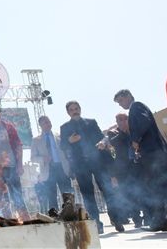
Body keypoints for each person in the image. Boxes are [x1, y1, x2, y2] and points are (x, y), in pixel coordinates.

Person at [114, 89, 167, 232]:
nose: (121, 105)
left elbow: (144, 122)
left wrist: (135, 140)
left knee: (163, 186)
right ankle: (163, 221)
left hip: (153, 152)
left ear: (128, 96)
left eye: (121, 101)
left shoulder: (137, 106)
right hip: (153, 152)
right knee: (158, 187)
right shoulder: (136, 108)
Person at [59, 100, 120, 234]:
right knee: (88, 196)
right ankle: (97, 223)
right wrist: (69, 141)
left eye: (76, 108)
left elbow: (102, 137)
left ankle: (116, 219)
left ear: (80, 109)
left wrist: (102, 143)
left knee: (107, 191)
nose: (75, 111)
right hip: (80, 166)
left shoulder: (91, 122)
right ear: (68, 112)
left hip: (97, 162)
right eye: (72, 109)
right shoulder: (65, 128)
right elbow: (62, 146)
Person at [107, 113, 145, 228]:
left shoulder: (134, 130)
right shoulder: (113, 132)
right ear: (116, 121)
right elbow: (115, 142)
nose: (123, 121)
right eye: (120, 120)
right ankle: (137, 219)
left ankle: (149, 216)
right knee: (130, 194)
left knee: (143, 191)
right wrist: (125, 131)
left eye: (125, 119)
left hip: (138, 165)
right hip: (123, 170)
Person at [31, 115, 72, 213]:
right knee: (51, 196)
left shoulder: (60, 136)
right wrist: (42, 159)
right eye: (45, 122)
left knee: (68, 194)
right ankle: (55, 217)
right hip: (48, 171)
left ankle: (70, 214)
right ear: (40, 125)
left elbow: (67, 152)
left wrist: (70, 166)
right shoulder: (36, 140)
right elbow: (33, 158)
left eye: (48, 122)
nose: (48, 124)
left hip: (62, 169)